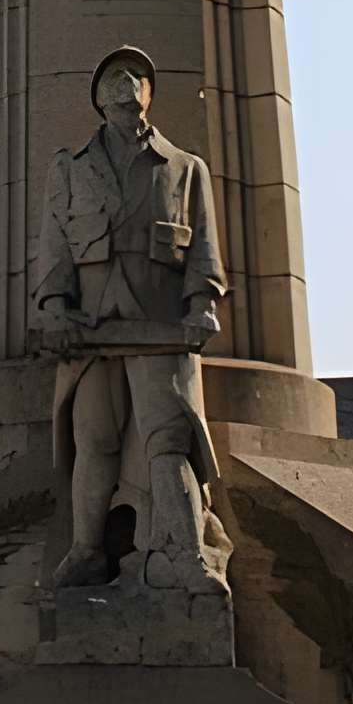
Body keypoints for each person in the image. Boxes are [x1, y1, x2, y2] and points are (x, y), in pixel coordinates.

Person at [35, 46, 227, 590]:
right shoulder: (69, 169)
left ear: (150, 93)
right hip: (92, 331)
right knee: (94, 439)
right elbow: (53, 248)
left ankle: (187, 557)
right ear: (98, 98)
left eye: (136, 75)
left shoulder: (185, 168)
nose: (126, 83)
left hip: (162, 330)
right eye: (114, 76)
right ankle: (87, 551)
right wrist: (54, 308)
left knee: (168, 440)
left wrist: (202, 304)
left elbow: (204, 247)